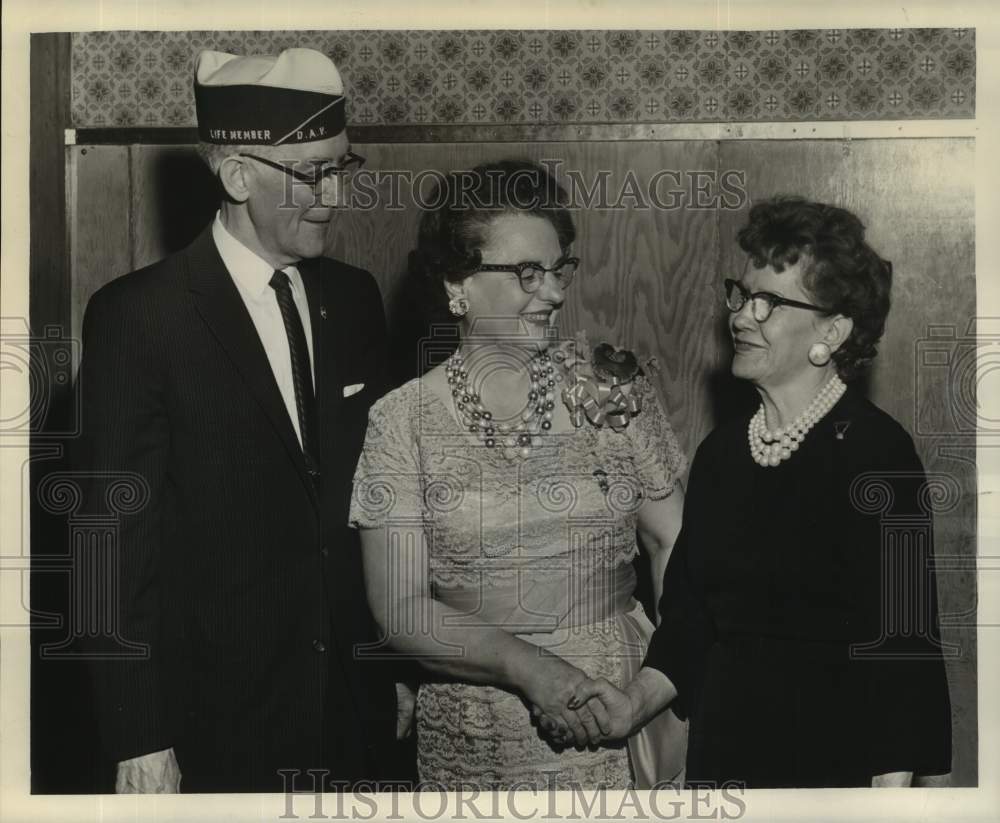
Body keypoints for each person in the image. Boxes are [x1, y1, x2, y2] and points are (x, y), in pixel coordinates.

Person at [74, 47, 401, 792]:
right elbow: (108, 549)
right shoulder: (139, 317)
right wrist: (138, 735)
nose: (332, 196)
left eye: (340, 167)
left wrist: (395, 666)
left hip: (352, 712)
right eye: (310, 172)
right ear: (236, 174)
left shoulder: (354, 300)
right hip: (210, 725)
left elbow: (378, 502)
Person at [568, 196, 953, 788]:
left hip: (838, 762)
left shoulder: (877, 454)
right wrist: (633, 702)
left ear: (833, 329)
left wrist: (889, 799)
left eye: (768, 303)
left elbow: (902, 650)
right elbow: (691, 618)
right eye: (741, 295)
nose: (742, 317)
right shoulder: (723, 453)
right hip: (727, 752)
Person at [348, 159, 688, 790]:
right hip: (480, 728)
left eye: (559, 269)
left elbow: (676, 544)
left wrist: (652, 690)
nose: (555, 293)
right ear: (458, 282)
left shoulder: (610, 388)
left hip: (623, 713)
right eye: (528, 273)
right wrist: (532, 671)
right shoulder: (401, 421)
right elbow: (397, 608)